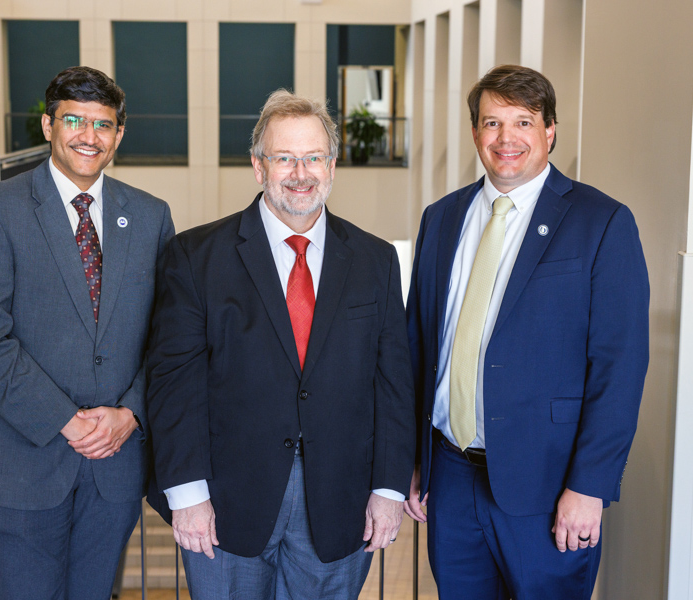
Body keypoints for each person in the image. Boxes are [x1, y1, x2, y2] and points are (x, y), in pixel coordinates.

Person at [145, 89, 415, 599]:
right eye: (284, 158)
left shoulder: (375, 261)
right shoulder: (195, 256)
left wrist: (388, 489)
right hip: (223, 507)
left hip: (341, 504)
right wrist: (187, 496)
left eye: (313, 157)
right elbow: (174, 384)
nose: (300, 172)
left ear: (332, 166)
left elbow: (393, 384)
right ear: (258, 166)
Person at [405, 64, 650, 599]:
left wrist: (588, 487)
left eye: (523, 121)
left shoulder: (601, 222)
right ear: (475, 134)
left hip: (548, 486)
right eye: (492, 123)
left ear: (550, 131)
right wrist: (415, 459)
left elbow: (620, 366)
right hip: (450, 476)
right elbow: (420, 346)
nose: (506, 138)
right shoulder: (441, 219)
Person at [0, 66, 174, 600]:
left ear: (119, 134)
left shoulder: (150, 217)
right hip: (23, 461)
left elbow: (169, 337)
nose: (88, 136)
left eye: (103, 124)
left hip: (115, 466)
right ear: (48, 125)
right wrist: (65, 422)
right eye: (73, 120)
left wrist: (131, 413)